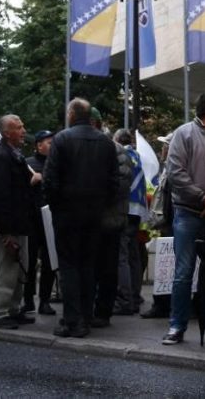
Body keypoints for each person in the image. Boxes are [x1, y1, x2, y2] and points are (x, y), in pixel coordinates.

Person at [43, 98, 119, 338]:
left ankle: (72, 320)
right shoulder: (106, 143)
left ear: (71, 115)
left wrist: (56, 205)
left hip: (67, 213)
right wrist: (102, 205)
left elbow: (50, 179)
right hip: (94, 214)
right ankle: (86, 316)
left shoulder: (62, 139)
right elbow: (114, 182)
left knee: (69, 266)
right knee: (89, 266)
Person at [161, 91, 205, 347]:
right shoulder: (184, 134)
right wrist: (204, 199)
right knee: (183, 273)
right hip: (188, 213)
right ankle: (177, 326)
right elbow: (175, 173)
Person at [0, 114, 40, 330]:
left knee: (18, 270)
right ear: (7, 133)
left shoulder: (13, 155)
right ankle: (0, 313)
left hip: (19, 224)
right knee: (5, 270)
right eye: (18, 127)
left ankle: (13, 309)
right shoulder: (1, 157)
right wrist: (5, 232)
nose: (23, 130)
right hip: (8, 228)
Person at [91, 109, 132, 329]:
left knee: (108, 268)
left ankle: (103, 310)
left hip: (108, 220)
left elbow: (120, 186)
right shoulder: (116, 151)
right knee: (102, 268)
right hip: (108, 218)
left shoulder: (114, 151)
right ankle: (98, 310)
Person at [140, 132, 175, 320]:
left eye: (165, 146)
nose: (163, 150)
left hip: (170, 223)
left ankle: (162, 304)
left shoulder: (173, 168)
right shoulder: (169, 167)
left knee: (166, 267)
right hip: (170, 222)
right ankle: (164, 304)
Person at [113, 128, 147, 316]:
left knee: (122, 255)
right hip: (138, 209)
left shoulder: (121, 155)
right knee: (134, 254)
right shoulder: (137, 156)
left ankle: (125, 299)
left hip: (125, 208)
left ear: (117, 140)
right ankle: (135, 294)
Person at [24, 130, 57, 316]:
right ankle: (28, 299)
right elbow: (18, 190)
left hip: (50, 218)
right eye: (49, 142)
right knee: (28, 261)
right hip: (31, 219)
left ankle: (45, 300)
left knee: (49, 262)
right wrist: (31, 181)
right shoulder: (27, 164)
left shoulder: (57, 164)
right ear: (38, 145)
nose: (52, 145)